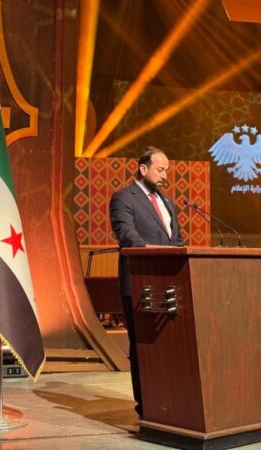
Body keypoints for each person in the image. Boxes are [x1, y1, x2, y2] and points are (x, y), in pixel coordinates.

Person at [109, 147, 184, 418]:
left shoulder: (167, 202)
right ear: (143, 169)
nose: (165, 175)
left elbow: (177, 241)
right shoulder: (123, 197)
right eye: (160, 170)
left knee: (169, 346)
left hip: (170, 286)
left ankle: (169, 401)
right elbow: (127, 235)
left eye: (167, 171)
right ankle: (146, 406)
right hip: (140, 283)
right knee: (143, 346)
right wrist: (157, 252)